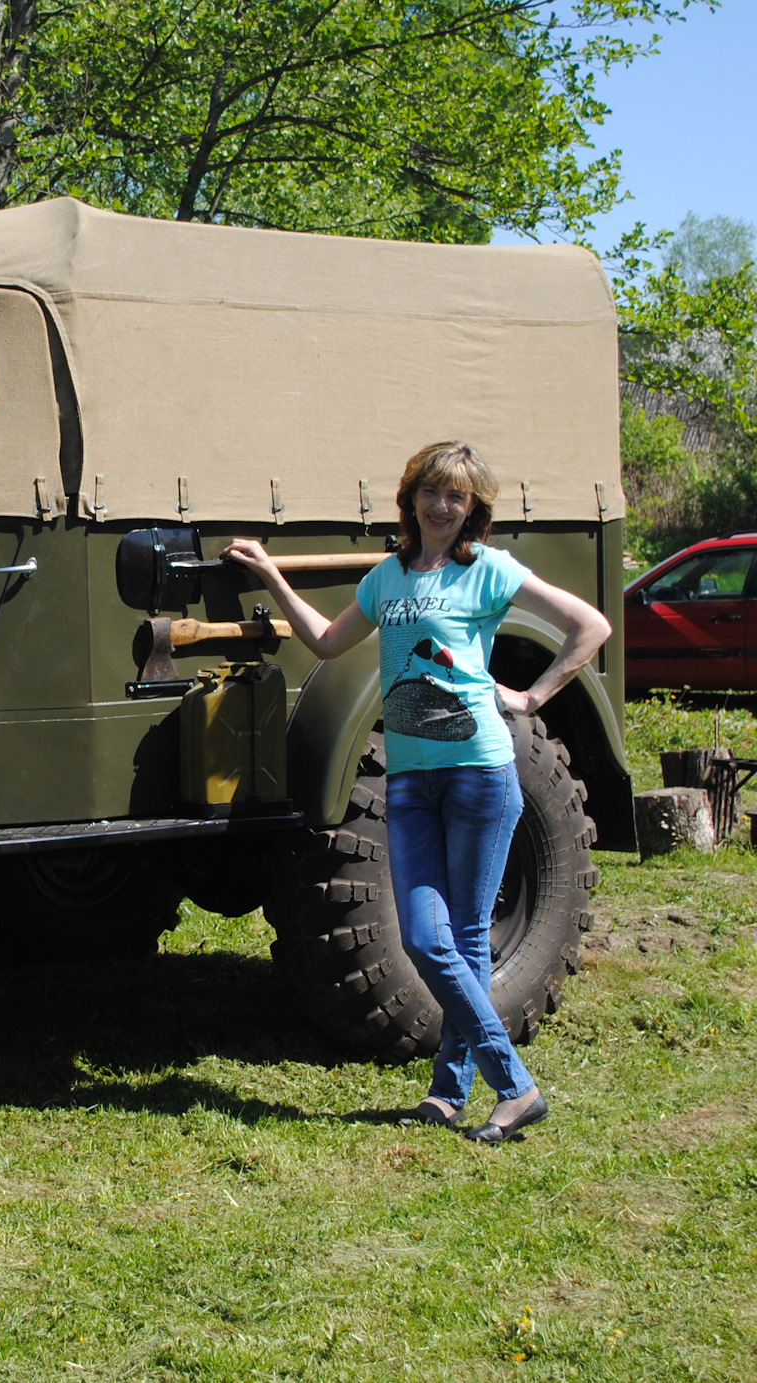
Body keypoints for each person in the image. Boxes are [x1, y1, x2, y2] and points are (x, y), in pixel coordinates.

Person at [224, 442, 610, 1144]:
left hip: (479, 774)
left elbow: (591, 626)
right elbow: (327, 642)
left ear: (473, 509)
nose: (442, 506)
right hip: (408, 781)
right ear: (412, 500)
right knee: (433, 939)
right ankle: (499, 1085)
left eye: (456, 496)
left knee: (456, 939)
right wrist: (274, 576)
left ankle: (467, 1088)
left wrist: (530, 695)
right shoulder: (388, 578)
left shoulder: (488, 572)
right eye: (431, 492)